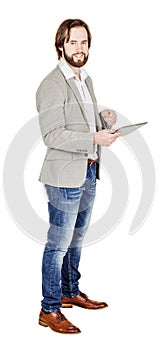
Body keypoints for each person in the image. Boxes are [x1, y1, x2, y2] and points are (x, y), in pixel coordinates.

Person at [36, 18, 121, 334]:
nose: (80, 48)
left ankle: (70, 290)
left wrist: (101, 120)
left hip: (87, 170)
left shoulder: (85, 79)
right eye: (73, 42)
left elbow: (77, 121)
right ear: (61, 45)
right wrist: (94, 139)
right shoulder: (52, 84)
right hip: (63, 176)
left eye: (84, 42)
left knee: (78, 238)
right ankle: (49, 309)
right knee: (57, 244)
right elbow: (53, 134)